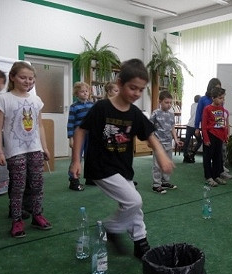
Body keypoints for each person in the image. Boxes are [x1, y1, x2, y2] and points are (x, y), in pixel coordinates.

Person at [69, 58, 174, 259]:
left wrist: (161, 155)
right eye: (132, 87)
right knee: (134, 200)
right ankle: (112, 227)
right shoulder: (101, 108)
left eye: (141, 90)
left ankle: (140, 243)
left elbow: (150, 135)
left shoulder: (135, 113)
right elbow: (81, 130)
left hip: (122, 167)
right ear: (119, 83)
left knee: (132, 205)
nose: (136, 93)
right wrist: (76, 161)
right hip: (100, 166)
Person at [0, 61, 52, 238]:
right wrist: (0, 152)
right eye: (23, 77)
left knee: (37, 184)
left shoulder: (36, 100)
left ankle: (37, 215)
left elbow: (39, 126)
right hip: (14, 150)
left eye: (31, 78)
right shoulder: (3, 99)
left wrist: (45, 147)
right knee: (18, 186)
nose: (28, 81)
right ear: (12, 77)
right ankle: (17, 220)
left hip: (35, 149)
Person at [149, 91, 183, 194]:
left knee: (167, 162)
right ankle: (156, 185)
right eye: (166, 102)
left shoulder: (171, 114)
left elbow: (172, 127)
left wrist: (176, 139)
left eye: (170, 103)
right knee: (157, 164)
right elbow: (149, 128)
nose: (169, 105)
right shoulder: (155, 113)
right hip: (158, 143)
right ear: (160, 101)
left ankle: (165, 182)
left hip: (168, 143)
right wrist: (152, 140)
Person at [67, 81, 94, 191]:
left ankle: (90, 177)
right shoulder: (74, 107)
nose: (85, 93)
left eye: (86, 91)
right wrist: (70, 138)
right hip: (78, 136)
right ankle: (73, 180)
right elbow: (70, 123)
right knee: (76, 158)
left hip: (90, 135)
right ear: (76, 94)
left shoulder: (92, 105)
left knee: (91, 156)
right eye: (82, 91)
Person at [201, 87, 229, 187]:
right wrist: (206, 139)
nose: (222, 100)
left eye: (223, 98)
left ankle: (216, 176)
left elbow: (221, 124)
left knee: (218, 157)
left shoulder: (221, 109)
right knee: (208, 157)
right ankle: (208, 177)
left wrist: (225, 136)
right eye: (220, 98)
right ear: (213, 98)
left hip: (219, 137)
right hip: (210, 135)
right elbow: (204, 126)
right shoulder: (207, 109)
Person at [182, 94, 202, 163]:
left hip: (189, 125)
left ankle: (185, 156)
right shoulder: (200, 106)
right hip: (196, 127)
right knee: (200, 141)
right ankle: (192, 153)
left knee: (187, 142)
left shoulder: (192, 105)